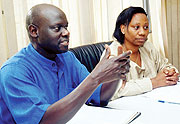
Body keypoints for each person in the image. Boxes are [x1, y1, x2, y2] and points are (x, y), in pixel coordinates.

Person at [0, 4, 131, 124]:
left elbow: (100, 97)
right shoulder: (13, 71)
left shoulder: (66, 58)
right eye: (57, 28)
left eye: (66, 27)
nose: (66, 33)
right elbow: (44, 121)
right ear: (34, 31)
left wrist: (117, 73)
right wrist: (96, 77)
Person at [101, 6, 179, 100]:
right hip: (126, 109)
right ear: (123, 29)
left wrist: (171, 73)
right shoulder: (112, 54)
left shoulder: (148, 47)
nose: (142, 32)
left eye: (145, 27)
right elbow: (116, 90)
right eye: (136, 27)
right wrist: (154, 82)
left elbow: (165, 66)